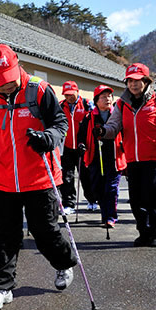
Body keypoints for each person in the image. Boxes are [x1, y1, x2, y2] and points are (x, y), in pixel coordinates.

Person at [0, 44, 77, 310]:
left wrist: (48, 139)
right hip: (4, 177)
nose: (7, 86)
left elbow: (60, 124)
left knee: (44, 231)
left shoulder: (40, 90)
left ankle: (64, 263)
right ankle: (1, 287)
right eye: (0, 82)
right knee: (4, 233)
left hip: (39, 176)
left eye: (10, 79)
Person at [95, 63, 156, 247]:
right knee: (135, 198)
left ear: (146, 81)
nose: (134, 85)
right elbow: (113, 126)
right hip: (133, 158)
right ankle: (144, 231)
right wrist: (103, 131)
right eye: (130, 81)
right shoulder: (121, 103)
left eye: (138, 80)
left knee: (152, 193)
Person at [77, 85, 126, 227]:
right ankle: (105, 214)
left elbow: (126, 132)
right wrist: (81, 145)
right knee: (98, 188)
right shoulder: (88, 117)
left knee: (110, 188)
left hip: (114, 157)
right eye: (103, 97)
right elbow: (81, 136)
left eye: (109, 96)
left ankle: (110, 217)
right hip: (95, 158)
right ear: (96, 100)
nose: (108, 99)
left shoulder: (117, 115)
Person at [59, 81, 95, 214]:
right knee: (66, 177)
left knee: (85, 176)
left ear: (77, 91)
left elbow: (93, 120)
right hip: (67, 147)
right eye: (66, 95)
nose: (69, 97)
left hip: (82, 146)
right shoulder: (61, 106)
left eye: (71, 94)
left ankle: (92, 200)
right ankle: (69, 204)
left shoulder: (87, 104)